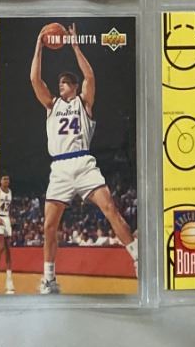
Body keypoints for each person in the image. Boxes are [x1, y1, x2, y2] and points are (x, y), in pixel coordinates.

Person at [30, 26, 138, 294]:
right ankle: (49, 279)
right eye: (60, 83)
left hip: (83, 162)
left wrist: (75, 46)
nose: (61, 85)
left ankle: (138, 259)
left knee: (110, 209)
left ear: (75, 86)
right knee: (49, 226)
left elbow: (90, 75)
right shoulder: (51, 105)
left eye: (66, 82)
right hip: (59, 167)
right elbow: (35, 79)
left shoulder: (84, 102)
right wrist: (39, 45)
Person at [0, 173, 16, 295]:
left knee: (8, 250)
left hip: (6, 219)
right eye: (4, 179)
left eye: (8, 179)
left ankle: (9, 280)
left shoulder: (10, 192)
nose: (6, 181)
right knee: (0, 247)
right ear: (0, 181)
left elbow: (9, 207)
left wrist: (11, 217)